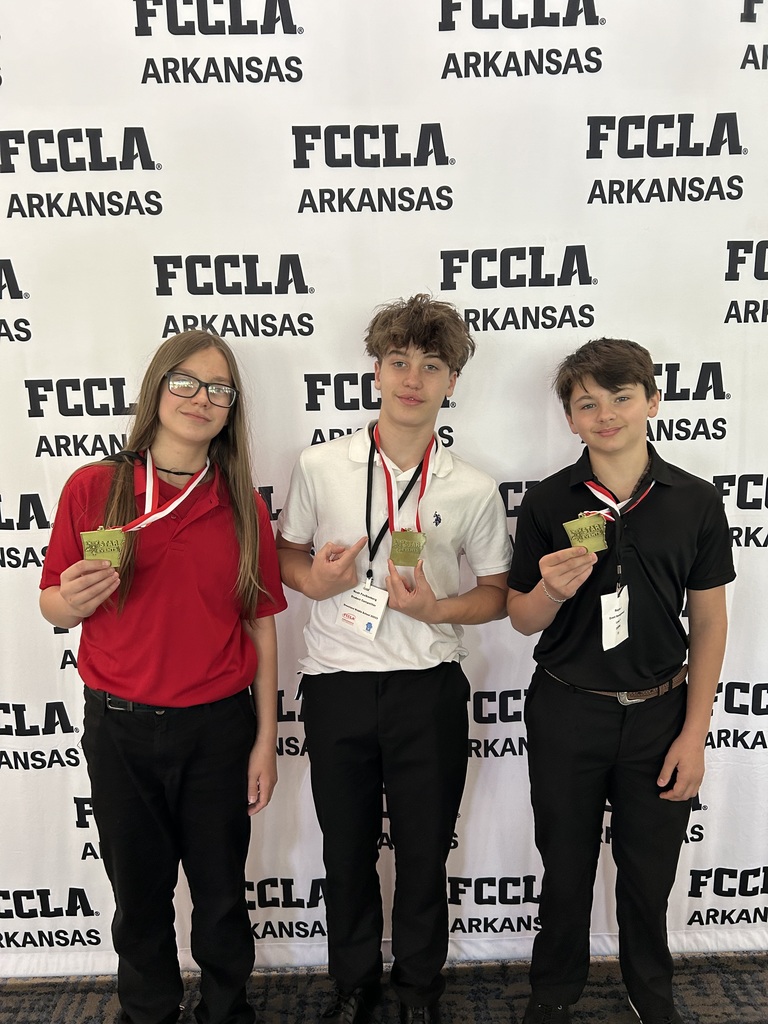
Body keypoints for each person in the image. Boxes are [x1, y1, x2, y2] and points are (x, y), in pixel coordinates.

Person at [276, 295, 512, 1024]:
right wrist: (316, 580)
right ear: (375, 371)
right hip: (337, 685)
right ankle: (353, 987)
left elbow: (499, 592)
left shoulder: (472, 486)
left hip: (427, 688)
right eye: (400, 361)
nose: (414, 377)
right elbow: (287, 555)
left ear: (451, 382)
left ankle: (418, 991)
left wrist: (437, 608)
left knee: (422, 856)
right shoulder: (321, 465)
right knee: (345, 852)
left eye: (432, 365)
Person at [39, 330, 287, 1024]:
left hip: (218, 728)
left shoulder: (242, 505)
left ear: (231, 410)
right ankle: (149, 1009)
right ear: (156, 389)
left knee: (220, 892)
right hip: (118, 728)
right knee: (139, 893)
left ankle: (227, 1008)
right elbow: (52, 602)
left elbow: (262, 624)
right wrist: (74, 601)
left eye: (219, 390)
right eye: (186, 382)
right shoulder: (96, 487)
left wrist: (265, 740)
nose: (200, 400)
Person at [506, 338, 735, 1024]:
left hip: (661, 714)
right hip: (568, 709)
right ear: (570, 419)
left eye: (621, 397)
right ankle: (553, 992)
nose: (606, 414)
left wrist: (694, 735)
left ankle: (651, 989)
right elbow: (520, 619)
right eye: (587, 403)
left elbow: (712, 623)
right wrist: (547, 588)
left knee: (649, 872)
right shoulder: (549, 500)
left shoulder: (695, 500)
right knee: (565, 867)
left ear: (653, 402)